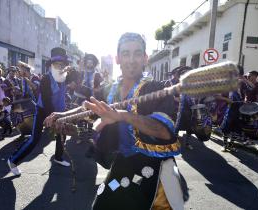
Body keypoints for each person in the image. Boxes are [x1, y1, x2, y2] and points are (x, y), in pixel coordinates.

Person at [44, 32, 185, 210]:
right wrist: (61, 115)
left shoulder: (158, 89)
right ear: (117, 58)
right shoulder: (110, 89)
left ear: (145, 58)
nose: (131, 59)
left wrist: (123, 116)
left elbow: (164, 131)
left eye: (137, 53)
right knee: (102, 203)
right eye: (126, 53)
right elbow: (87, 107)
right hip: (122, 168)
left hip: (153, 172)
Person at [7, 47, 73, 176]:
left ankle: (58, 157)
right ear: (52, 65)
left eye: (62, 64)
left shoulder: (65, 76)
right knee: (34, 139)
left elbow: (77, 77)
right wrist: (53, 118)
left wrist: (71, 70)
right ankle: (13, 160)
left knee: (61, 134)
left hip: (59, 111)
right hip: (44, 110)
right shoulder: (46, 79)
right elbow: (47, 101)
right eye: (57, 64)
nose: (60, 67)